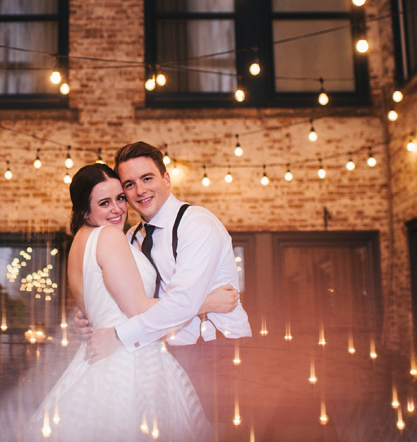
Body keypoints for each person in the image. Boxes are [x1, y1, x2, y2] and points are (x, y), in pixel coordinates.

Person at [20, 164, 238, 441]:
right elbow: (138, 310)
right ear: (85, 212)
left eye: (120, 198)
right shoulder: (110, 236)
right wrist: (207, 303)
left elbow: (95, 306)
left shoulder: (79, 242)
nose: (117, 209)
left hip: (97, 355)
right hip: (130, 359)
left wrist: (84, 321)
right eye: (104, 203)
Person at [80, 142, 252, 439]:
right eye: (129, 185)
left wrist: (119, 336)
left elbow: (180, 303)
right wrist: (88, 315)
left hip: (218, 353)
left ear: (167, 179)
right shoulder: (131, 236)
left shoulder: (197, 225)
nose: (139, 191)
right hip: (165, 354)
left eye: (147, 178)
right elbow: (133, 298)